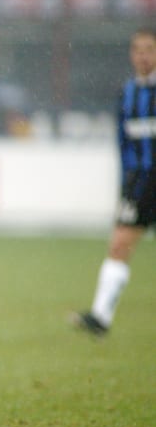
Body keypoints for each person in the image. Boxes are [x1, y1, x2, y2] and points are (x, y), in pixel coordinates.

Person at [74, 28, 156, 337]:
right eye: (138, 49)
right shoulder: (127, 93)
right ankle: (100, 317)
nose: (143, 55)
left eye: (149, 49)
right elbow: (122, 144)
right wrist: (125, 184)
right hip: (139, 184)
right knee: (120, 244)